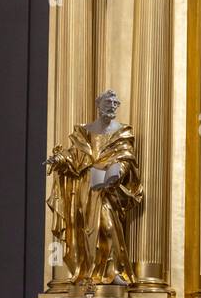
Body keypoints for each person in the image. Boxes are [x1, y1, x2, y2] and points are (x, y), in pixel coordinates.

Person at [46, 91, 142, 285]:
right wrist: (60, 159)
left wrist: (117, 173)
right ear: (98, 104)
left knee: (107, 226)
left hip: (108, 190)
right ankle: (88, 271)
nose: (112, 105)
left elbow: (125, 158)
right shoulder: (85, 132)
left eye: (115, 103)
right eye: (108, 102)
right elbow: (75, 157)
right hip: (86, 189)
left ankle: (112, 270)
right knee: (86, 230)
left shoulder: (122, 132)